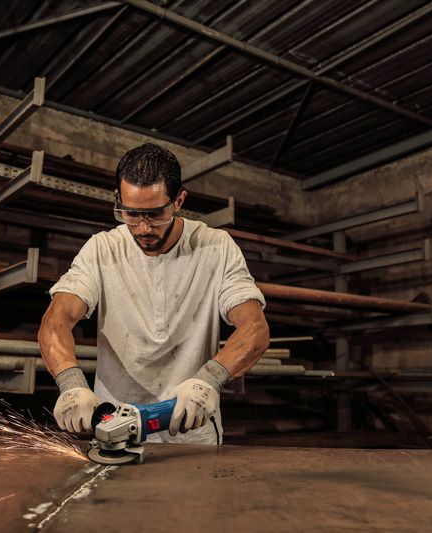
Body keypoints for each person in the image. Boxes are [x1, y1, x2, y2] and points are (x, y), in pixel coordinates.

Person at [38, 143, 269, 444]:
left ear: (178, 201)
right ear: (118, 201)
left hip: (191, 431)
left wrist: (208, 381)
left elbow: (255, 328)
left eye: (155, 214)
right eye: (130, 214)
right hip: (114, 429)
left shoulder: (216, 247)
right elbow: (56, 320)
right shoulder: (102, 249)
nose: (143, 228)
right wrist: (70, 383)